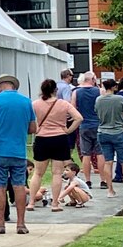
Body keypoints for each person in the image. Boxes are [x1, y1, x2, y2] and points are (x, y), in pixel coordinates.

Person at [0, 74, 37, 235]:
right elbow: (33, 128)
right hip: (19, 151)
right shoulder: (26, 101)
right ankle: (21, 224)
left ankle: (0, 224)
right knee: (19, 186)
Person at [28, 79, 83, 213]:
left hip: (42, 139)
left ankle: (31, 202)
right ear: (56, 90)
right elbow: (79, 118)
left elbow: (29, 120)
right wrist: (68, 130)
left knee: (38, 173)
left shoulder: (35, 104)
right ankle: (55, 204)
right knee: (57, 173)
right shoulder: (63, 104)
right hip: (59, 139)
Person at [95, 79, 123, 198]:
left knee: (108, 161)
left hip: (103, 132)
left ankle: (110, 190)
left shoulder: (99, 99)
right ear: (114, 87)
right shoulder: (120, 99)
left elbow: (97, 113)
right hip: (118, 132)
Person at [72, 71, 106, 189]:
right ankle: (103, 180)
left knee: (86, 154)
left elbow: (73, 108)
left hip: (84, 125)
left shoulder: (76, 92)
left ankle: (88, 181)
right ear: (92, 79)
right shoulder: (100, 91)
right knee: (100, 153)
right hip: (98, 125)